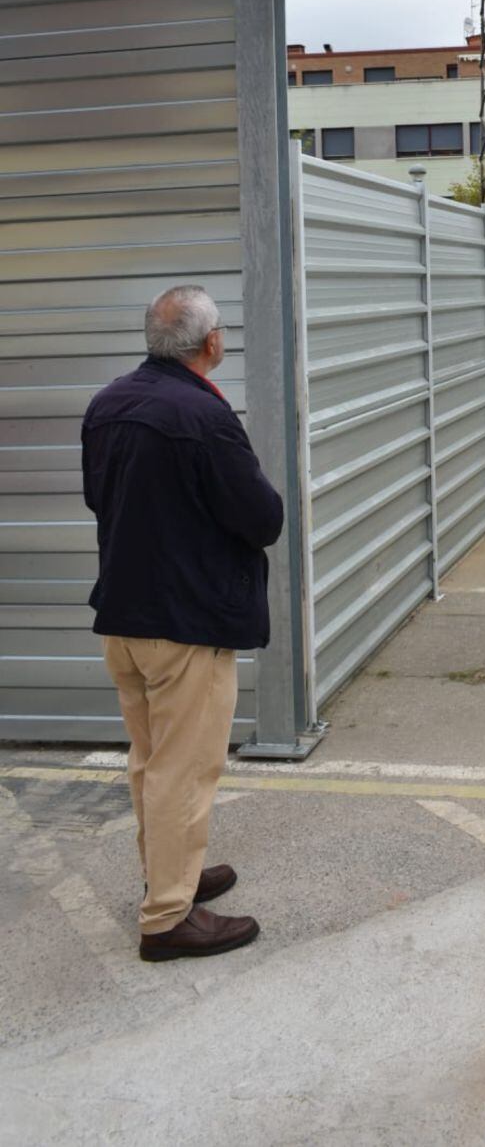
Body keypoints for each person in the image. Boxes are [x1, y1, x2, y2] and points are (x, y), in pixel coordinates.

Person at [81, 286, 284, 962]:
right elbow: (261, 519)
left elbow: (96, 497)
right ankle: (168, 917)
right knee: (184, 770)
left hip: (125, 618)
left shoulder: (109, 403)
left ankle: (171, 876)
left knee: (150, 761)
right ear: (212, 343)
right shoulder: (204, 416)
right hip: (184, 624)